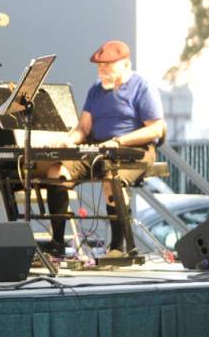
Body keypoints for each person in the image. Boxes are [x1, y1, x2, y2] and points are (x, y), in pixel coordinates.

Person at [43, 40, 165, 258]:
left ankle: (117, 248)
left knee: (111, 178)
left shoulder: (142, 86)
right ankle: (57, 244)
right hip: (99, 149)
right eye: (99, 67)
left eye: (107, 66)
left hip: (134, 149)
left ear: (125, 64)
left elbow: (157, 128)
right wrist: (69, 140)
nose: (102, 71)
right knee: (56, 172)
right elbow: (83, 127)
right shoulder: (95, 91)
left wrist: (119, 141)